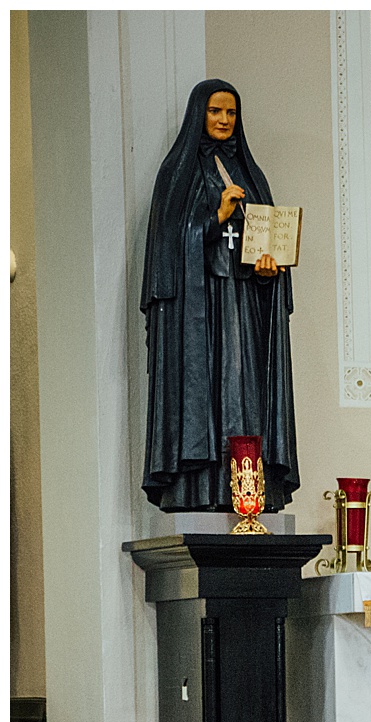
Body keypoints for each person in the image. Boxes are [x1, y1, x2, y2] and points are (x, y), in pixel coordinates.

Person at [141, 79, 299, 513]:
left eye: (231, 113)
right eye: (215, 112)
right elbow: (169, 250)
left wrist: (269, 273)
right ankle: (199, 491)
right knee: (205, 390)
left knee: (243, 391)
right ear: (200, 115)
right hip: (199, 307)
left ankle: (248, 494)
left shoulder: (251, 174)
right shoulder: (177, 175)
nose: (225, 120)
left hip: (242, 305)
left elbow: (266, 247)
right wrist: (216, 218)